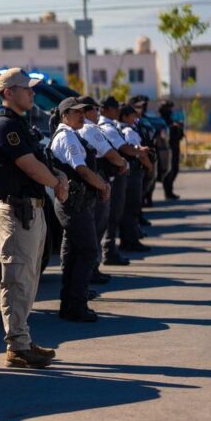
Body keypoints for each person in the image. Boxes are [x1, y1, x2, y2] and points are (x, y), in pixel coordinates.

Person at [0, 68, 67, 368]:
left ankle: (22, 339)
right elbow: (29, 165)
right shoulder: (4, 125)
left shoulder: (19, 124)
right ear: (8, 92)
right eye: (26, 88)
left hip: (31, 209)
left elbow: (40, 159)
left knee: (27, 278)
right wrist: (57, 184)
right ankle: (17, 345)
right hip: (18, 211)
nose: (32, 93)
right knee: (17, 278)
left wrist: (57, 176)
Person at [48, 98, 111, 322]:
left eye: (84, 112)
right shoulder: (66, 136)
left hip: (76, 203)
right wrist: (102, 186)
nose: (82, 115)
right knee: (87, 251)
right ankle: (76, 305)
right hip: (75, 204)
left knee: (74, 253)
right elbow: (81, 169)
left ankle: (71, 302)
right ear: (65, 116)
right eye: (77, 112)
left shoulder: (70, 134)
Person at [78, 97, 128, 284]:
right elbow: (110, 153)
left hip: (91, 182)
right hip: (97, 182)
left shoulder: (83, 128)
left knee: (94, 229)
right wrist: (122, 163)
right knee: (97, 227)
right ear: (86, 111)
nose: (97, 112)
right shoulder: (89, 129)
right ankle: (91, 269)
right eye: (94, 109)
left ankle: (91, 269)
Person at [96, 96, 135, 266]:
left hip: (114, 174)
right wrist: (136, 154)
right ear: (104, 109)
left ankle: (109, 250)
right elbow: (122, 149)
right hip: (113, 175)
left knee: (114, 214)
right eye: (114, 108)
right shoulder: (106, 127)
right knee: (112, 215)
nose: (117, 111)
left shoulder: (111, 125)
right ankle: (108, 251)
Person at [118, 104, 154, 253]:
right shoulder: (128, 131)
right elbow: (138, 153)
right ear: (125, 117)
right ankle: (131, 241)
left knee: (128, 209)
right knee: (132, 208)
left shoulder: (123, 129)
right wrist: (149, 167)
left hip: (130, 172)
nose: (135, 118)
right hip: (133, 173)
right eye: (133, 116)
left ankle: (128, 240)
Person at [159, 100, 184, 200]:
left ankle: (169, 191)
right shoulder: (161, 120)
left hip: (175, 146)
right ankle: (168, 191)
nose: (169, 110)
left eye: (170, 108)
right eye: (167, 108)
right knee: (169, 170)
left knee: (175, 169)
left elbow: (180, 135)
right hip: (166, 148)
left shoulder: (171, 120)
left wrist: (178, 127)